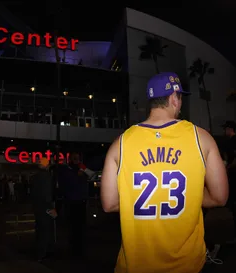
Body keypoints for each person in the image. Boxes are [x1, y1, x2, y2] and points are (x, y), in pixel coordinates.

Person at [101, 72, 228, 273]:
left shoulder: (120, 143)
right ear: (174, 98)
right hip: (187, 265)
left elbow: (109, 204)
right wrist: (191, 195)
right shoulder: (201, 138)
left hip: (135, 265)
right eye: (180, 98)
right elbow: (220, 197)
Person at [58, 152, 94, 257]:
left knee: (78, 227)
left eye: (77, 158)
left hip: (78, 202)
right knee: (74, 227)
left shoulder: (79, 169)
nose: (76, 160)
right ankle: (76, 248)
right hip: (73, 202)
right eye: (75, 158)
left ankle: (78, 248)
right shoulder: (68, 170)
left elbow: (92, 176)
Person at [31, 157, 57, 262]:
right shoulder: (46, 176)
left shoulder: (34, 177)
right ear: (47, 165)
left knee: (39, 230)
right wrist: (52, 208)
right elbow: (47, 195)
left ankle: (39, 252)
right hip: (45, 208)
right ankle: (43, 254)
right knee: (45, 231)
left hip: (37, 207)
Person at [222, 120, 236, 242]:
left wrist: (228, 167)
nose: (225, 131)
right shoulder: (229, 141)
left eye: (226, 129)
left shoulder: (234, 141)